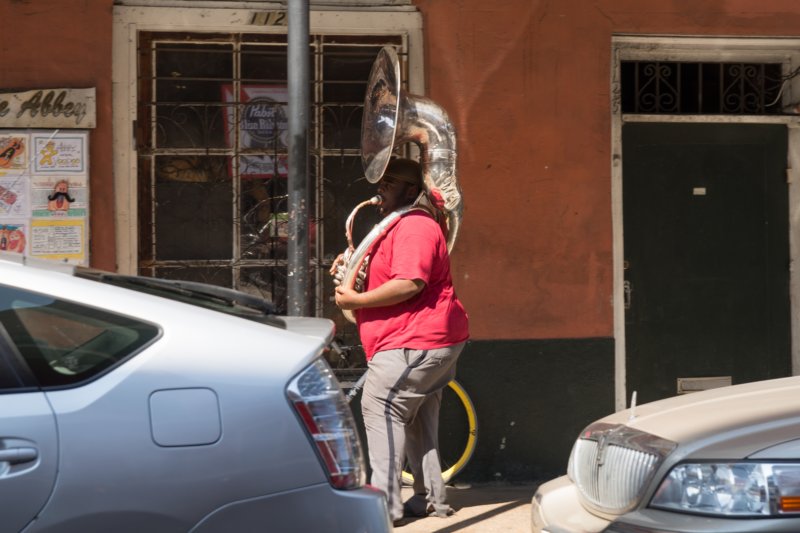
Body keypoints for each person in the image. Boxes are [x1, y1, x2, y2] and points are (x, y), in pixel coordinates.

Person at [333, 157, 469, 526]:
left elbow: (410, 283)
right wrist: (351, 265)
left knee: (381, 410)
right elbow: (388, 271)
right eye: (381, 181)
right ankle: (430, 500)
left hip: (413, 340)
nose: (381, 187)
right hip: (428, 340)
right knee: (418, 419)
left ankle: (384, 508)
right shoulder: (403, 225)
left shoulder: (414, 226)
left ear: (411, 191)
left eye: (390, 183)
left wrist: (354, 300)